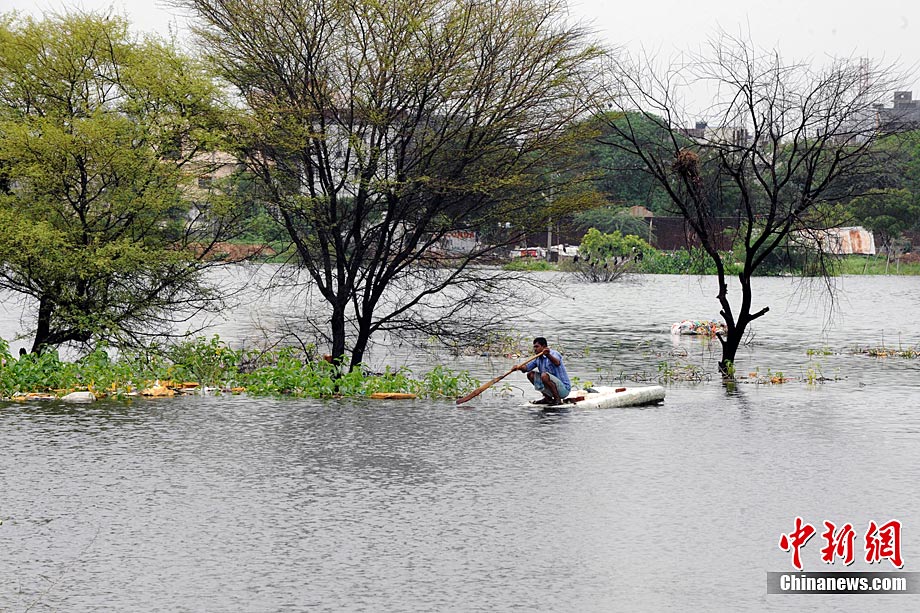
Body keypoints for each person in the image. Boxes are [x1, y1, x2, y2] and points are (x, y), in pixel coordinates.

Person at [516, 337, 571, 405]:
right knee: (530, 375)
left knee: (544, 375)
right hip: (551, 388)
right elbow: (526, 368)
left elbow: (557, 363)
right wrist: (518, 367)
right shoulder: (538, 358)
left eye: (537, 347)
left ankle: (557, 399)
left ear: (544, 346)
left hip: (563, 389)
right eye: (534, 347)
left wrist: (548, 355)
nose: (535, 349)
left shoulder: (554, 353)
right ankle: (547, 398)